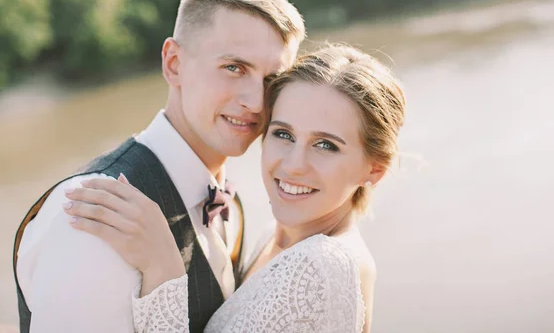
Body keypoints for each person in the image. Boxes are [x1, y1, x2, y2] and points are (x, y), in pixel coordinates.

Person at [12, 0, 305, 333]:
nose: (257, 102)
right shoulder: (92, 216)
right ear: (174, 63)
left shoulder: (230, 204)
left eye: (272, 79)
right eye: (234, 67)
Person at [64, 44, 407, 332]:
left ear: (374, 169)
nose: (293, 165)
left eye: (326, 145)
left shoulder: (320, 265)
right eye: (283, 134)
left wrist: (163, 269)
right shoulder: (274, 235)